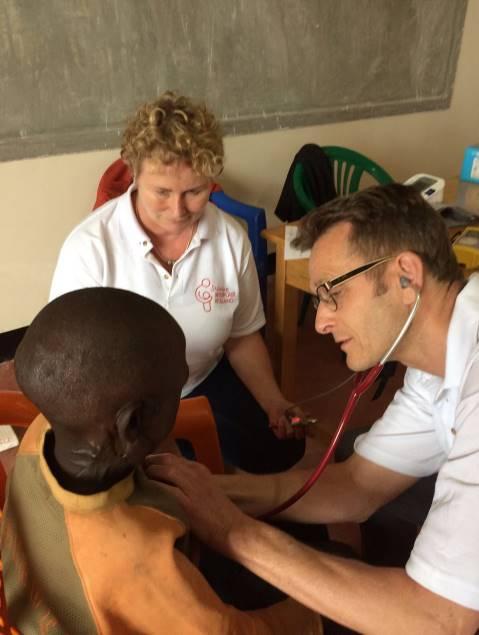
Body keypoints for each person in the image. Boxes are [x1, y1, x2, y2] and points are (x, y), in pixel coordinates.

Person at [146, 184, 479, 634]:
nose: (320, 321)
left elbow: (441, 619)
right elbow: (359, 487)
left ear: (405, 276)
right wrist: (217, 492)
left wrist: (233, 531)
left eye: (331, 293)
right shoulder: (431, 364)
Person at [0, 287, 321, 635]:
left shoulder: (40, 434)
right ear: (133, 425)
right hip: (146, 600)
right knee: (327, 564)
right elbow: (226, 631)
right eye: (178, 388)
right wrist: (312, 616)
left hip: (73, 597)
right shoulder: (140, 564)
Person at [49, 91, 304, 474]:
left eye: (195, 192)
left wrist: (273, 402)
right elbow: (71, 365)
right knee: (134, 487)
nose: (178, 210)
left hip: (203, 380)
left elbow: (242, 336)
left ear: (211, 182)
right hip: (120, 401)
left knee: (281, 453)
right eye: (162, 192)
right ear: (135, 174)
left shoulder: (230, 238)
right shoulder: (90, 247)